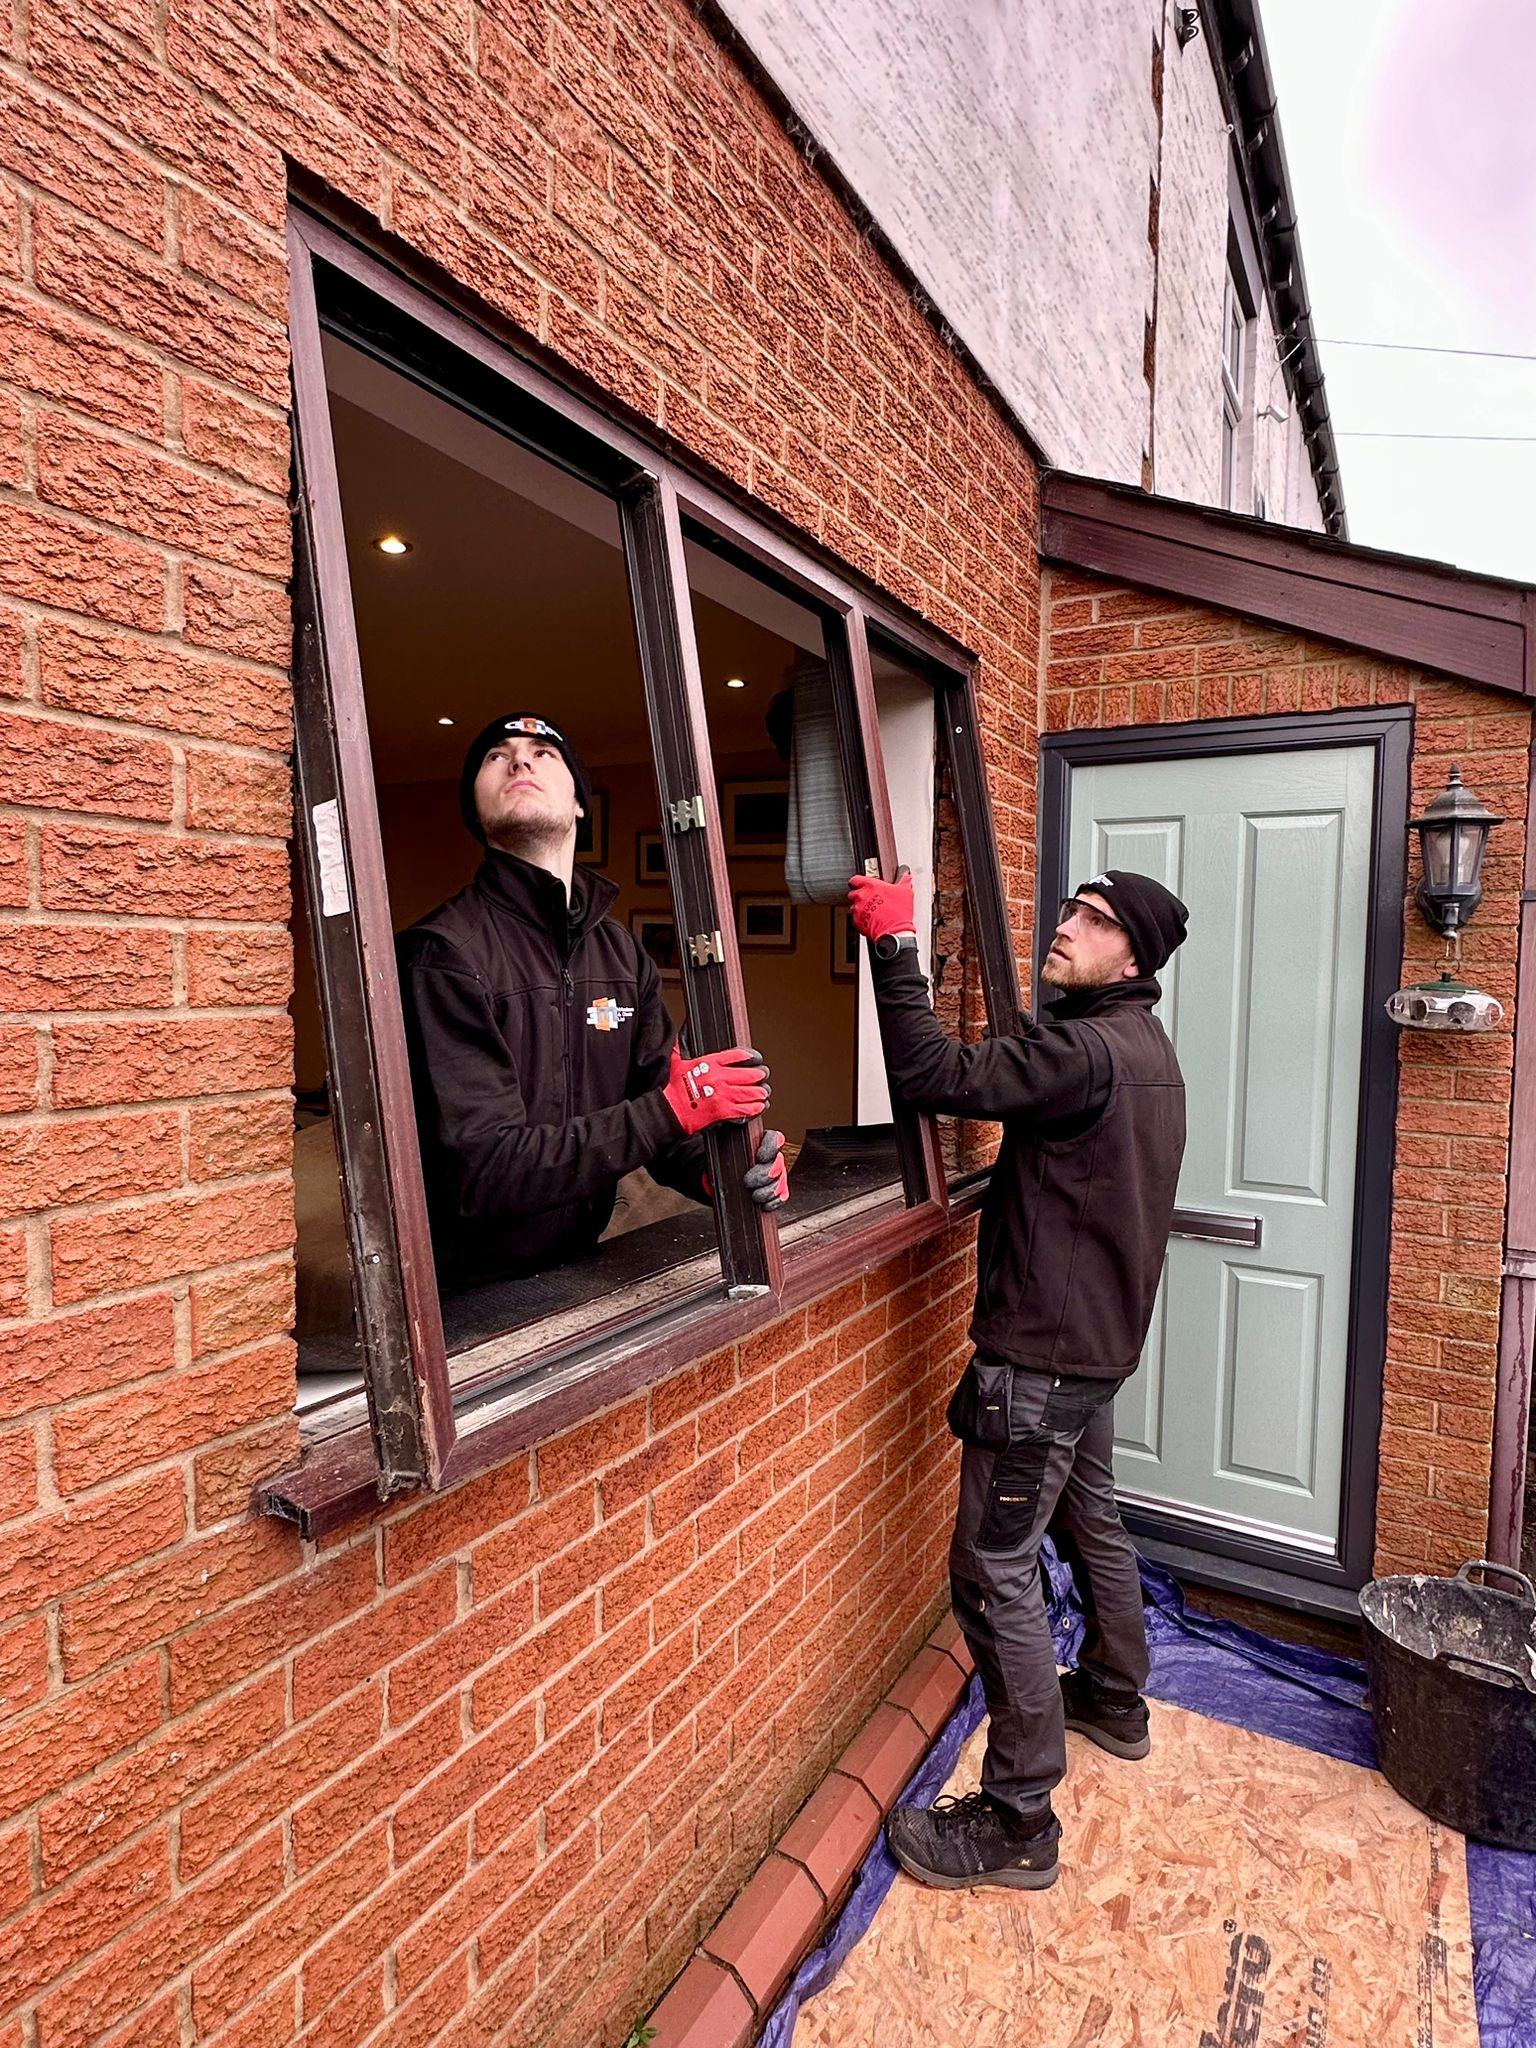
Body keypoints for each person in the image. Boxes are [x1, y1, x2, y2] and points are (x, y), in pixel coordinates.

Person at [846, 864, 1188, 1892]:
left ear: (1131, 958)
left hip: (1041, 1359)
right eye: (1071, 908)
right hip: (1095, 1350)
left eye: (1094, 921)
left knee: (993, 1573)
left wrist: (895, 946)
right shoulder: (1148, 1051)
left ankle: (1018, 1818)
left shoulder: (1082, 1048)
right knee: (1093, 1523)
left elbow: (931, 1072)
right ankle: (1115, 1699)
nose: (1067, 926)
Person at [397, 713, 789, 1287]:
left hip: (578, 1267)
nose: (520, 761)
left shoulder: (618, 952)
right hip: (462, 1294)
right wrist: (676, 1107)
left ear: (580, 801)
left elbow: (658, 1099)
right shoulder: (444, 954)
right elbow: (483, 1172)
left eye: (543, 753)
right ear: (476, 814)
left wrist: (720, 1171)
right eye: (495, 757)